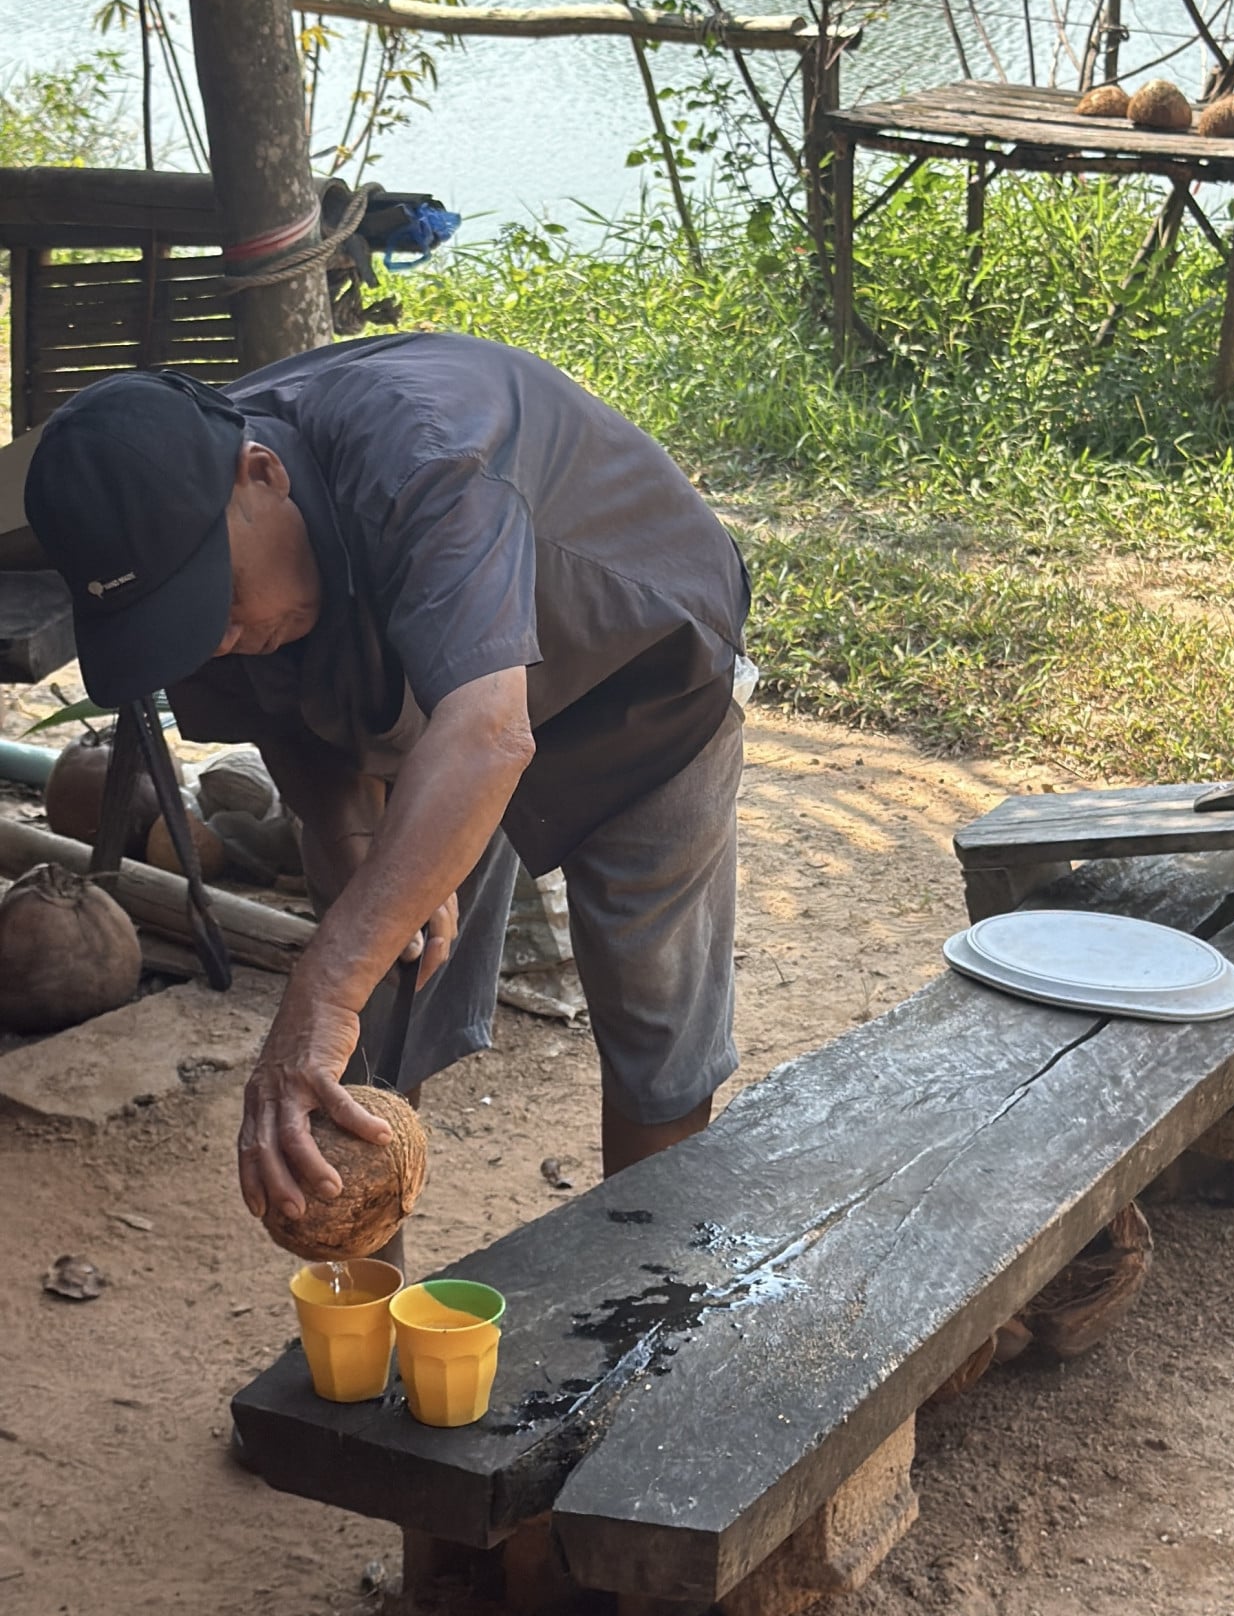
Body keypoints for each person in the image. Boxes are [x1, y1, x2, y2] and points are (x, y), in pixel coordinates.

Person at [24, 333, 751, 1231]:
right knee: (372, 999)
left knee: (652, 1011)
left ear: (263, 475)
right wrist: (359, 853)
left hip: (634, 659)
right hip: (437, 690)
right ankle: (365, 1334)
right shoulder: (193, 567)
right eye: (178, 627)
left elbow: (487, 735)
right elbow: (273, 715)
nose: (208, 639)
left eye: (212, 602)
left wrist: (320, 986)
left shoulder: (421, 458)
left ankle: (648, 1303)